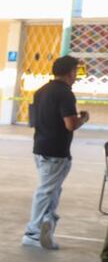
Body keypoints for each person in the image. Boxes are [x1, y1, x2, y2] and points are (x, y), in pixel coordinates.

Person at [22, 55, 88, 250]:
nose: (76, 75)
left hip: (40, 147)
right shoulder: (65, 93)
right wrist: (83, 118)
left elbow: (33, 120)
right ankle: (33, 232)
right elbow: (70, 124)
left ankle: (47, 224)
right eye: (76, 71)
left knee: (52, 190)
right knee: (46, 190)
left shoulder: (41, 91)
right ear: (70, 72)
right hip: (56, 150)